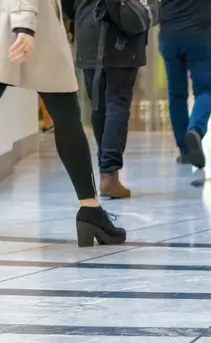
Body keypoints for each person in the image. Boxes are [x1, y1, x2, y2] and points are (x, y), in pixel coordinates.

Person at [0, 0, 126, 246]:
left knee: (67, 115)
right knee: (67, 116)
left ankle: (92, 210)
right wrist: (24, 26)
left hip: (29, 22)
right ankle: (91, 211)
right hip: (25, 26)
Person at [66, 0, 145, 199]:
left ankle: (106, 172)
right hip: (122, 30)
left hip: (87, 29)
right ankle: (109, 173)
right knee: (117, 102)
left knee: (99, 105)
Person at [159, 0, 211, 168]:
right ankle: (196, 130)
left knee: (176, 95)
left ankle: (185, 151)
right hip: (200, 36)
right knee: (204, 90)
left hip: (169, 35)